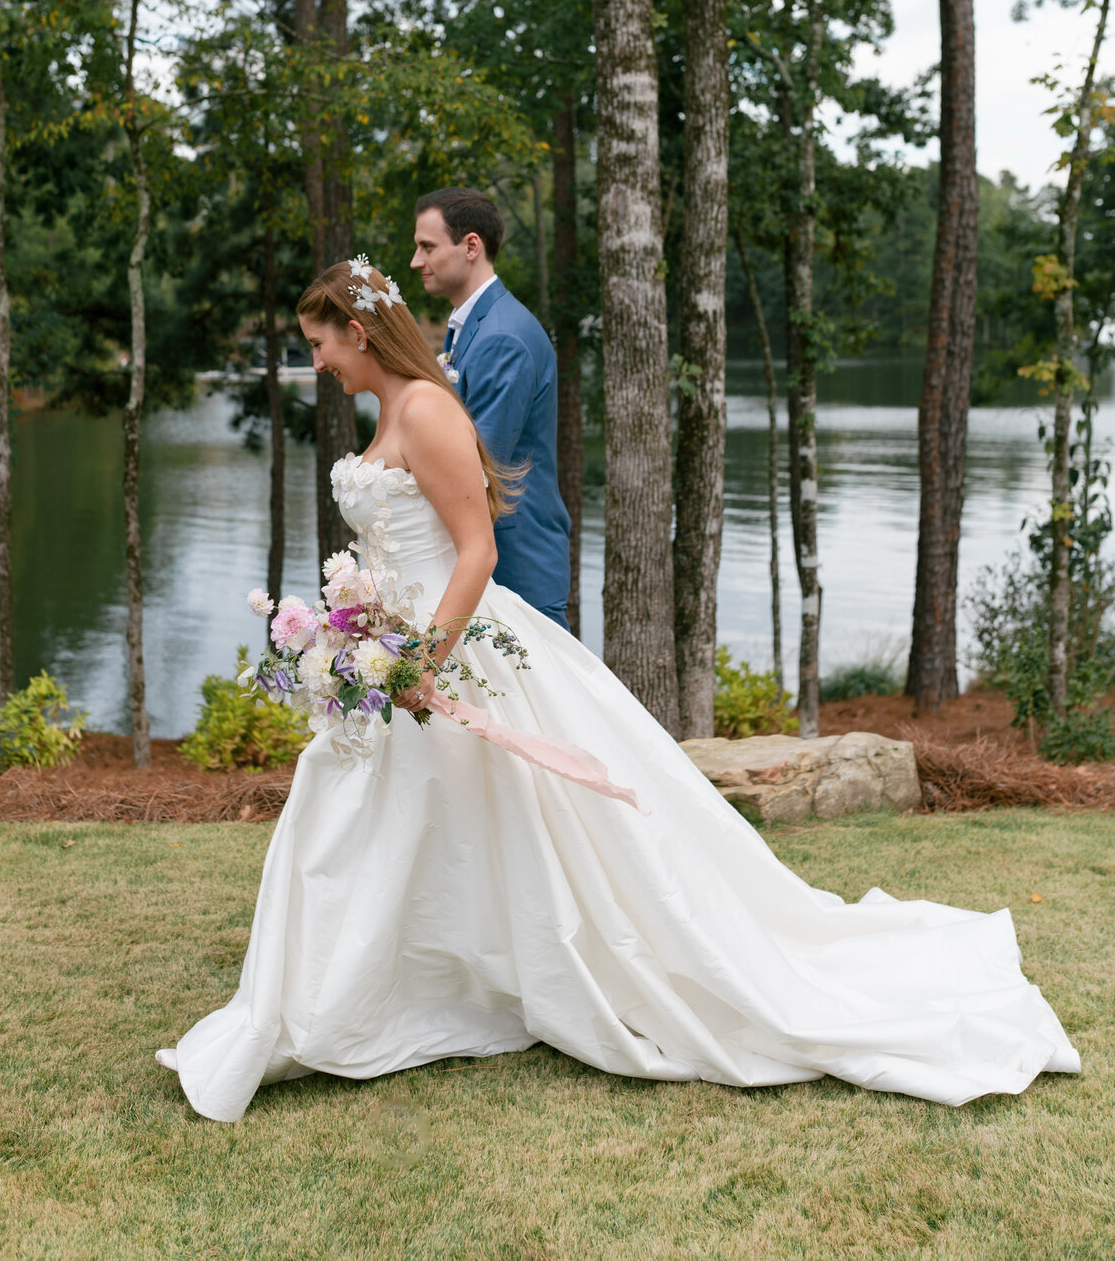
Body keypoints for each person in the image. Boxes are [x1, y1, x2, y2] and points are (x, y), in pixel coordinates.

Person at [156, 258, 1079, 1124]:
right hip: (397, 648)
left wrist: (423, 661)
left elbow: (475, 550)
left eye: (319, 343)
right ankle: (371, 994)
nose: (316, 361)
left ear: (357, 332)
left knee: (470, 820)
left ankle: (385, 996)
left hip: (451, 648)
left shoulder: (428, 410)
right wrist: (355, 628)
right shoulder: (394, 410)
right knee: (373, 817)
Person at [411, 187, 571, 628]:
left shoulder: (502, 337)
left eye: (427, 247)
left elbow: (476, 466)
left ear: (471, 246)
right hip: (487, 560)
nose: (416, 261)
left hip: (516, 565)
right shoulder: (472, 326)